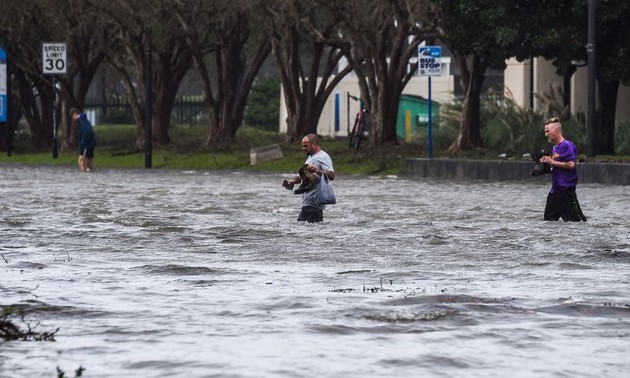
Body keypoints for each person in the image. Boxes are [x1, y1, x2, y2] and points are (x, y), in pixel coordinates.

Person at [539, 117, 587, 222]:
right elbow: (557, 166)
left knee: (576, 221)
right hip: (555, 190)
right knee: (548, 220)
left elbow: (571, 165)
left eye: (548, 131)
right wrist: (543, 168)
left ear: (556, 130)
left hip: (566, 189)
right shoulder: (555, 148)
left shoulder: (567, 145)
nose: (546, 134)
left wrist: (551, 161)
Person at [283, 133, 335, 223]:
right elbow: (305, 176)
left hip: (313, 203)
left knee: (300, 231)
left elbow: (331, 175)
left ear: (314, 145)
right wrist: (293, 181)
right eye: (302, 146)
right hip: (308, 203)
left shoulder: (323, 157)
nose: (303, 149)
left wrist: (316, 170)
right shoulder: (311, 157)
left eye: (305, 146)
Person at [70, 108, 96, 172]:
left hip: (86, 144)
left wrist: (83, 143)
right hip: (91, 143)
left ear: (75, 114)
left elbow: (87, 132)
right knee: (89, 162)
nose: (73, 119)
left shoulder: (81, 120)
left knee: (81, 161)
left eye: (72, 117)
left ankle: (82, 177)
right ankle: (93, 175)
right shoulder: (82, 120)